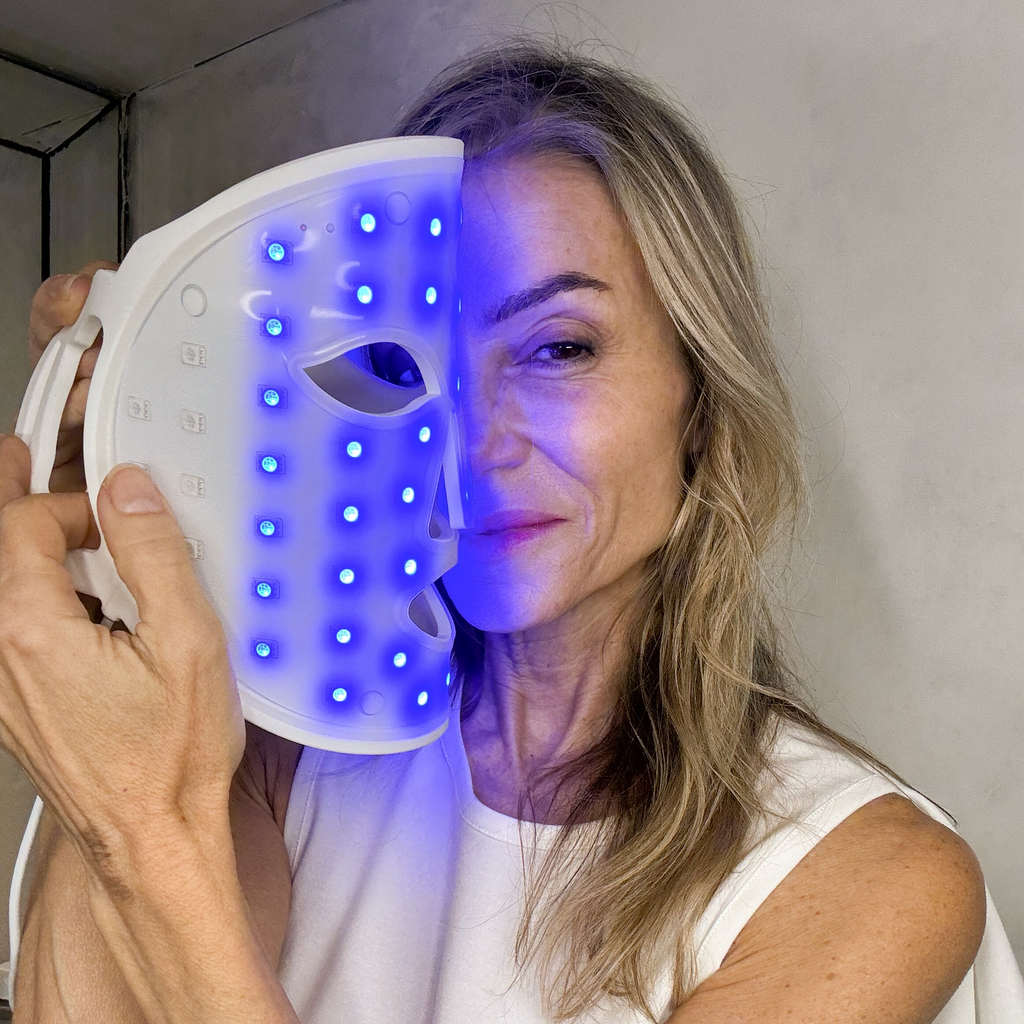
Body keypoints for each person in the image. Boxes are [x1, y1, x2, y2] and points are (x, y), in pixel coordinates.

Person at [1, 38, 1000, 1024]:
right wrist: (114, 543)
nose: (471, 439)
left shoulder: (863, 874)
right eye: (406, 364)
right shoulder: (288, 740)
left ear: (699, 397)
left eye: (556, 348)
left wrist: (145, 832)